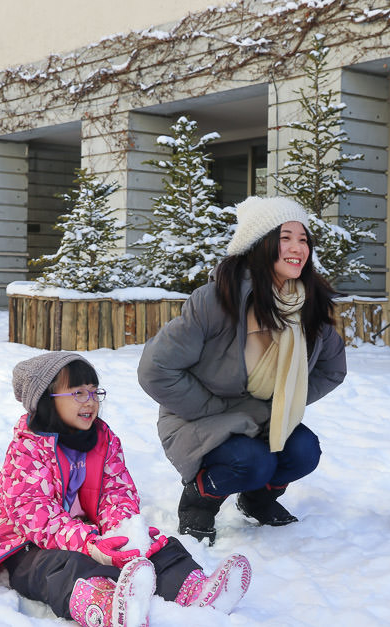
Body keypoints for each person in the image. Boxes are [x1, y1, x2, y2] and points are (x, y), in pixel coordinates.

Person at [0, 352, 252, 627]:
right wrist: (86, 543)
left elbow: (118, 490)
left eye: (94, 391)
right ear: (47, 399)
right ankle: (105, 603)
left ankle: (193, 588)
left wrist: (120, 531)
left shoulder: (103, 439)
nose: (90, 401)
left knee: (149, 544)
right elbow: (32, 512)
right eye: (78, 393)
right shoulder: (28, 446)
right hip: (26, 541)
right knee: (62, 565)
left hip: (88, 531)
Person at [138, 195, 347, 545]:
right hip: (198, 419)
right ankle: (199, 502)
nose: (298, 247)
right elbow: (155, 369)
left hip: (265, 417)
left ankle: (258, 500)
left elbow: (332, 370)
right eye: (285, 238)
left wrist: (286, 402)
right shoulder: (217, 301)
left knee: (304, 450)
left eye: (303, 239)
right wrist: (217, 410)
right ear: (260, 245)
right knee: (252, 462)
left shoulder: (308, 306)